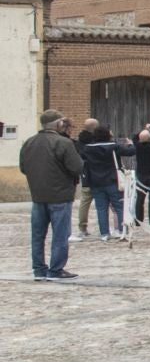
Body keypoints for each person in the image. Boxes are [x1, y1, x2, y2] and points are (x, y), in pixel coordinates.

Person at [23, 110, 84, 280]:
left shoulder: (29, 142)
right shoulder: (63, 143)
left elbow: (23, 167)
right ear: (59, 124)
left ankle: (39, 269)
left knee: (37, 235)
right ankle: (56, 269)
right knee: (60, 234)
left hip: (38, 195)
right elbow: (77, 167)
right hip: (60, 195)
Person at [79, 119, 132, 240]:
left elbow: (81, 158)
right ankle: (121, 229)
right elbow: (130, 152)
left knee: (101, 209)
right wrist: (131, 144)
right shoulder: (113, 147)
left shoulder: (88, 148)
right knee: (119, 206)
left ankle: (104, 233)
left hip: (95, 182)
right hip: (112, 180)